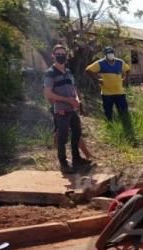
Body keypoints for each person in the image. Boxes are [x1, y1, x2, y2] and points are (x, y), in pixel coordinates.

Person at [43, 44, 92, 174]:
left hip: (72, 108)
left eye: (63, 54)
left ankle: (76, 158)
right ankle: (63, 163)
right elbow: (48, 93)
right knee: (62, 136)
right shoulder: (50, 73)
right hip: (60, 110)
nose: (61, 56)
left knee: (76, 133)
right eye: (58, 54)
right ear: (53, 56)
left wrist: (76, 99)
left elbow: (73, 88)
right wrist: (67, 100)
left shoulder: (69, 72)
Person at [85, 46, 131, 121]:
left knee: (124, 112)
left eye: (111, 53)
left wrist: (126, 79)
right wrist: (97, 80)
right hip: (107, 93)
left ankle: (126, 126)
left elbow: (128, 70)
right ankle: (111, 127)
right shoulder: (101, 63)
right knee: (108, 113)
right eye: (108, 53)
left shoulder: (120, 62)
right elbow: (88, 70)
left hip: (119, 92)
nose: (110, 54)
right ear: (105, 54)